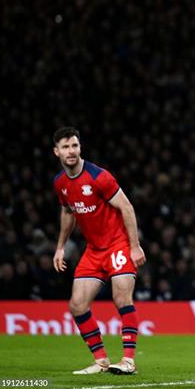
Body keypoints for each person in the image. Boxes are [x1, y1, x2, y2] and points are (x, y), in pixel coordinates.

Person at [52, 127, 146, 375]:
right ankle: (101, 360)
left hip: (118, 244)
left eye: (74, 145)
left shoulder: (99, 177)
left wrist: (134, 246)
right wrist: (60, 247)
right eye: (65, 147)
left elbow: (126, 208)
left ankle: (128, 360)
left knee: (121, 298)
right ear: (56, 152)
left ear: (80, 147)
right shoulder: (60, 183)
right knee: (77, 305)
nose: (71, 151)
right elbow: (67, 212)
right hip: (94, 250)